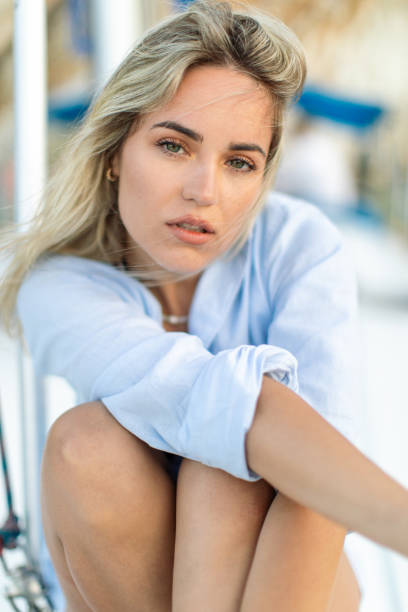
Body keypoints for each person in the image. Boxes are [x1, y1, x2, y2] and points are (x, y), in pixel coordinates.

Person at [1, 1, 408, 610]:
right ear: (115, 150)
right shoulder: (60, 286)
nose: (204, 192)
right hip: (128, 572)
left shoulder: (298, 244)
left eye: (239, 162)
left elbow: (321, 469)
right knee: (89, 443)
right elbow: (203, 397)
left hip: (289, 569)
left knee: (250, 467)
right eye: (173, 146)